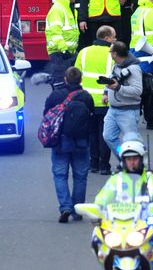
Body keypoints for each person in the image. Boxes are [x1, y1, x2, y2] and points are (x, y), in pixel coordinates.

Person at [43, 66, 94, 223]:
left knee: (60, 174)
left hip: (61, 140)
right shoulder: (86, 97)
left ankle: (65, 206)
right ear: (81, 80)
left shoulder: (56, 95)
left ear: (65, 79)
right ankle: (77, 209)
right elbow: (91, 116)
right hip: (81, 141)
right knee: (80, 175)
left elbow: (46, 115)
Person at [75, 26, 116, 175]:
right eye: (114, 37)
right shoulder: (112, 54)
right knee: (105, 135)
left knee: (91, 134)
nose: (115, 40)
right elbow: (114, 76)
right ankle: (104, 165)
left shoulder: (83, 52)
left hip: (86, 101)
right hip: (105, 100)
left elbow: (76, 74)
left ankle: (93, 164)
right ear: (107, 38)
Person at [102, 41, 143, 158]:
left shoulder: (134, 69)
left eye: (110, 51)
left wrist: (118, 88)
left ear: (115, 54)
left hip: (128, 111)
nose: (109, 53)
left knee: (132, 143)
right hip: (113, 110)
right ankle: (125, 158)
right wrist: (106, 93)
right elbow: (112, 78)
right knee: (109, 137)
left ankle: (136, 165)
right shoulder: (117, 65)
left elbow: (137, 90)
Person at [44, 0, 79, 86]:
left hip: (68, 52)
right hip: (60, 52)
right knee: (60, 81)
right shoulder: (58, 10)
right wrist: (64, 49)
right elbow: (56, 32)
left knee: (67, 81)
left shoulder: (68, 8)